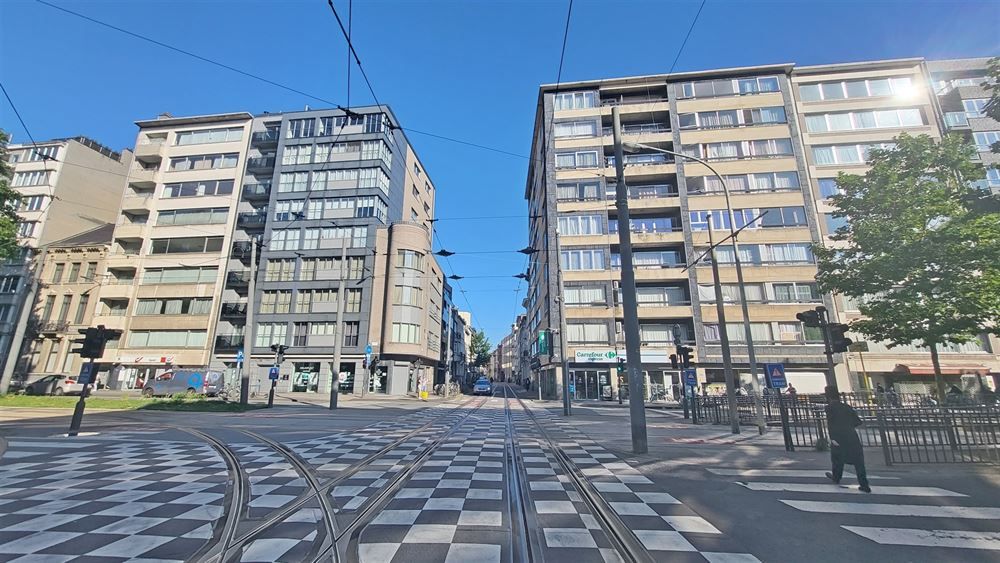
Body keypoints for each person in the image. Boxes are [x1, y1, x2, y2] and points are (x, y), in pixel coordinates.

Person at [824, 385, 871, 493]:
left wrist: (832, 437)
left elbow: (831, 424)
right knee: (858, 461)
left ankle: (836, 477)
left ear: (828, 396)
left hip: (838, 436)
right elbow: (858, 422)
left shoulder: (829, 408)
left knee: (837, 458)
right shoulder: (847, 407)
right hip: (852, 436)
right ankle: (864, 484)